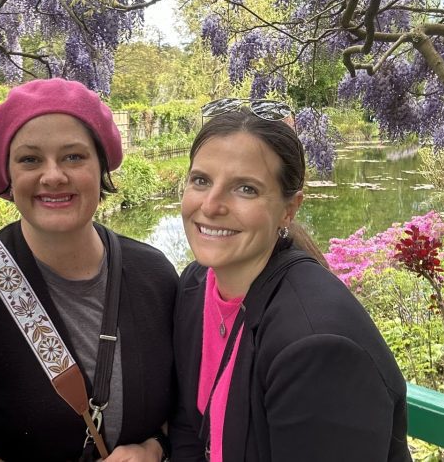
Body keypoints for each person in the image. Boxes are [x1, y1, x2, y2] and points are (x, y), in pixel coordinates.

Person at [0, 78, 176, 461]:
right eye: (30, 159)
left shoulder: (154, 276)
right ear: (8, 175)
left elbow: (189, 401)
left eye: (73, 156)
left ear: (100, 166)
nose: (53, 176)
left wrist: (154, 449)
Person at [170, 104, 411, 461]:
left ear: (289, 209)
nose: (211, 204)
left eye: (246, 189)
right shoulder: (196, 286)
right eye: (201, 180)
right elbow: (189, 428)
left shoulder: (317, 347)